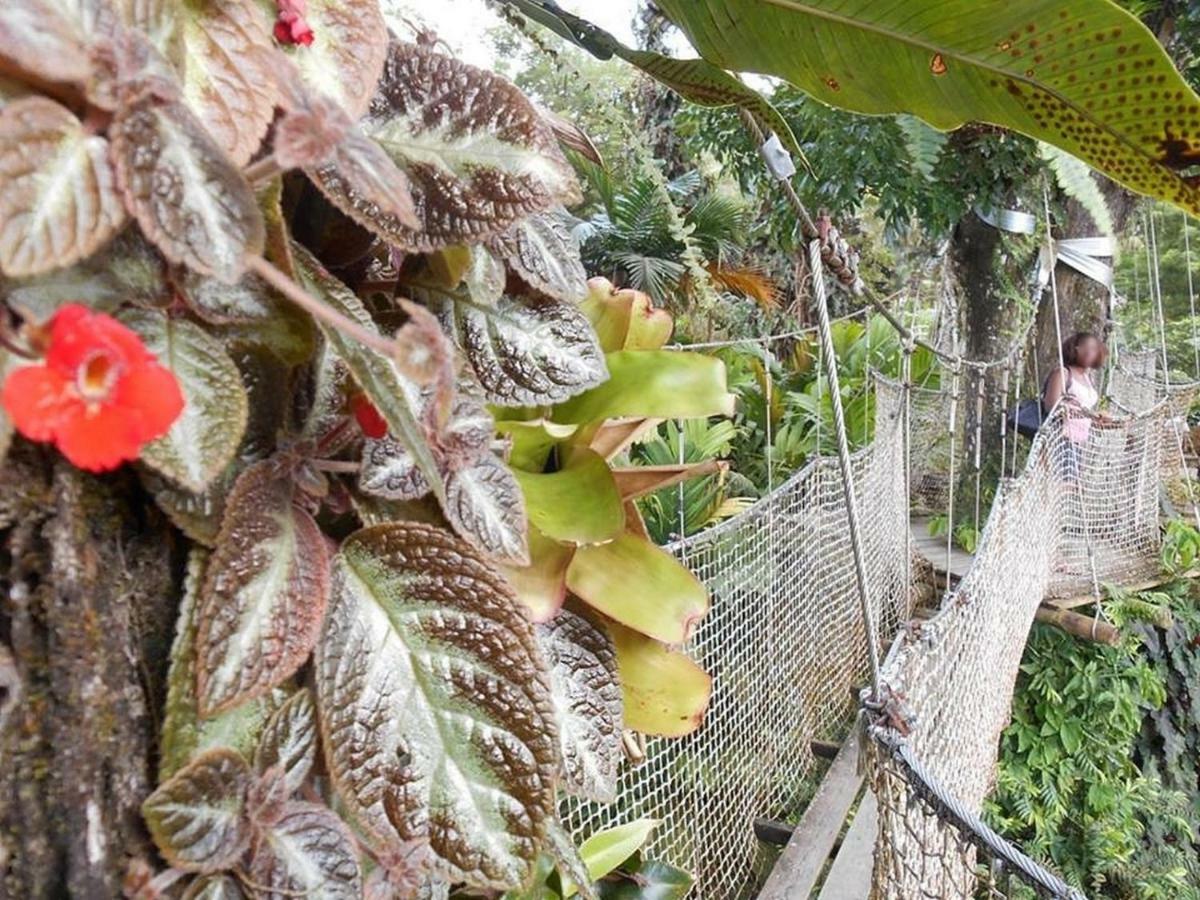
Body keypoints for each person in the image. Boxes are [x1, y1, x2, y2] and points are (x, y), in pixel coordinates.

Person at [1041, 332, 1108, 477]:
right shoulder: (1063, 373)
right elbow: (1050, 407)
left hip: (1079, 440)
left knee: (1071, 486)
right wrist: (1070, 409)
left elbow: (1086, 411)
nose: (1090, 352)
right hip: (1059, 437)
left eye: (1094, 349)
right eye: (1085, 347)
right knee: (1062, 484)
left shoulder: (1087, 378)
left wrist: (1100, 419)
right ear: (1074, 348)